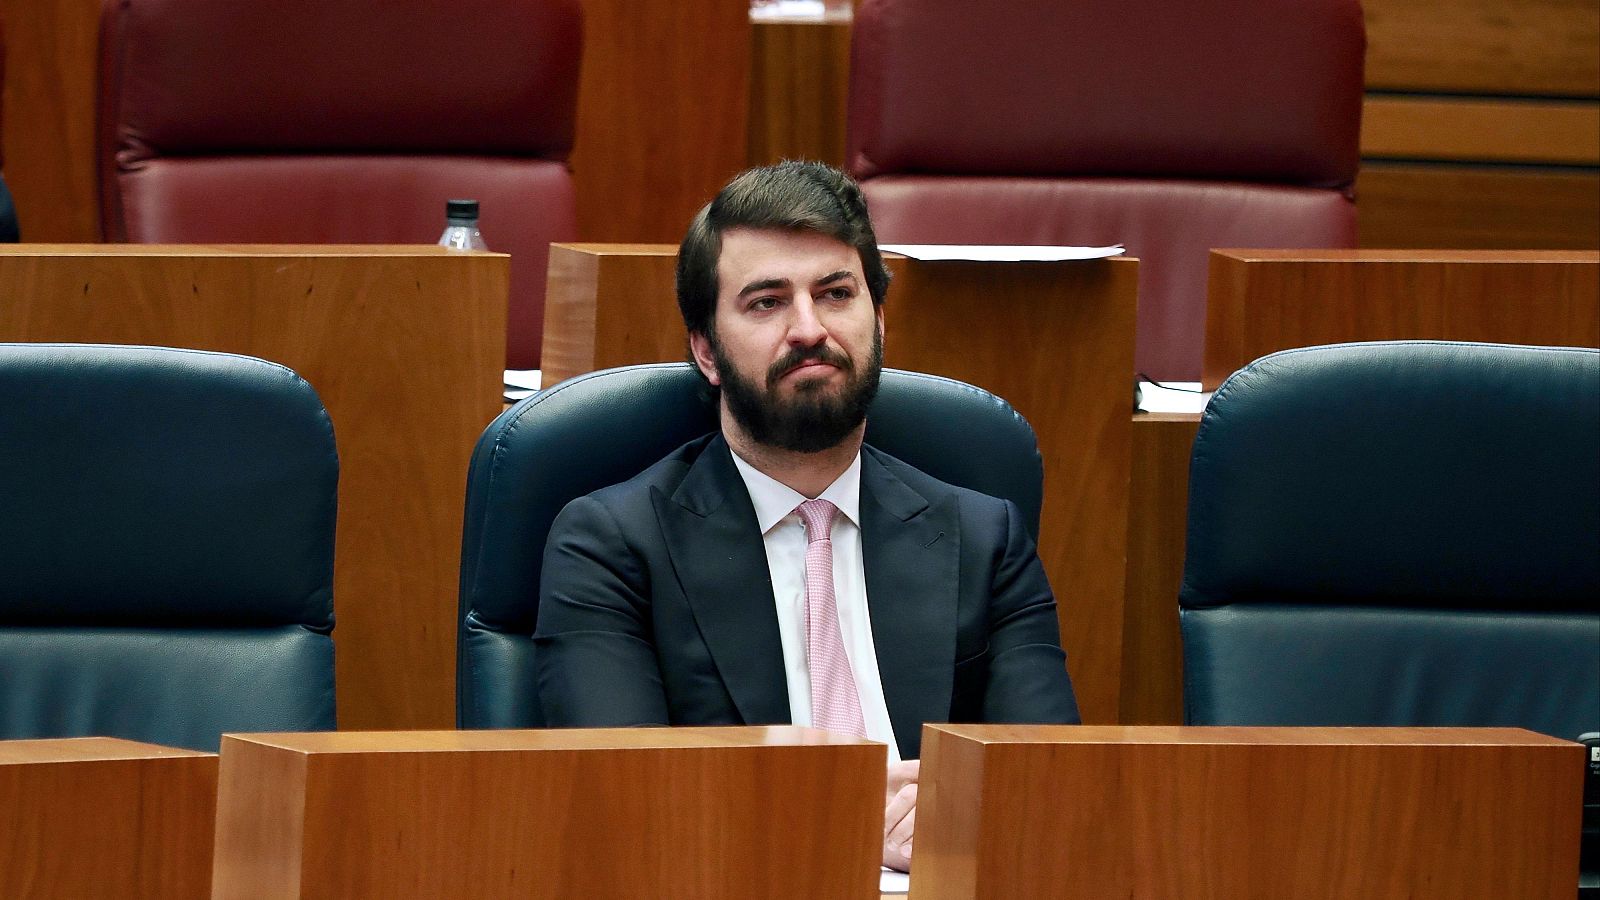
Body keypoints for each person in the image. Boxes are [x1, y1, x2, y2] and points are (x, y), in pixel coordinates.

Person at [534, 160, 1079, 870]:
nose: (809, 329)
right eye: (766, 302)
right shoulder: (610, 545)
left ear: (879, 320)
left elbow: (1053, 790)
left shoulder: (985, 539)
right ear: (706, 350)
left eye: (836, 293)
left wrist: (954, 822)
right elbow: (621, 801)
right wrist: (838, 815)